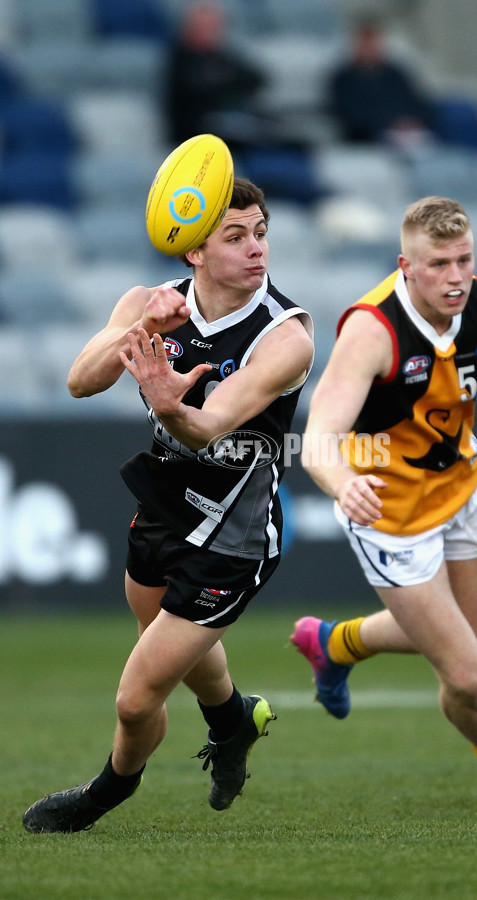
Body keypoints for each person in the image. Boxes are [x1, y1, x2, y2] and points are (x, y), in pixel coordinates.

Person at [22, 177, 314, 833]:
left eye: (261, 232)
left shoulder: (285, 335)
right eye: (234, 236)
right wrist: (141, 326)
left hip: (233, 537)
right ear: (193, 251)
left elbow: (209, 429)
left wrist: (167, 406)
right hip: (161, 508)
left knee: (136, 697)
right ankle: (234, 721)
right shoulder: (151, 303)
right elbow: (79, 381)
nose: (256, 249)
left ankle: (104, 795)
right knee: (171, 647)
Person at [292, 195, 477, 811]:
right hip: (388, 515)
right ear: (406, 265)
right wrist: (345, 485)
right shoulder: (373, 329)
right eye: (439, 264)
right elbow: (317, 441)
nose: (455, 277)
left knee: (460, 649)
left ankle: (335, 644)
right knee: (468, 677)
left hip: (463, 494)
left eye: (464, 260)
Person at [165, 2, 270, 152]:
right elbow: (197, 90)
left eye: (214, 26)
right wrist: (227, 81)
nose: (210, 32)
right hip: (195, 137)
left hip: (231, 126)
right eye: (203, 27)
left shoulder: (223, 56)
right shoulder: (179, 59)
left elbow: (256, 79)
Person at [328, 18, 437, 151]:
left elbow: (415, 102)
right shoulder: (343, 79)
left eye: (373, 42)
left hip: (408, 136)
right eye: (364, 42)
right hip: (367, 142)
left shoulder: (396, 74)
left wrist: (411, 121)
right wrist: (390, 124)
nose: (369, 48)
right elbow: (350, 116)